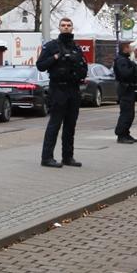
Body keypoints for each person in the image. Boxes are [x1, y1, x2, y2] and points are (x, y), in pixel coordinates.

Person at [35, 17, 89, 168]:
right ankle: (46, 158)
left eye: (69, 25)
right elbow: (40, 66)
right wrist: (55, 57)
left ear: (72, 28)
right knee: (54, 124)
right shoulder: (52, 46)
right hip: (58, 89)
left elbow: (84, 68)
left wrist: (78, 71)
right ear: (59, 28)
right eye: (63, 25)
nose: (66, 27)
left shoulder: (76, 48)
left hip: (73, 89)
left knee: (70, 125)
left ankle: (68, 157)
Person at [112, 40, 137, 144]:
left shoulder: (125, 59)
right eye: (129, 47)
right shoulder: (121, 60)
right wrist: (133, 67)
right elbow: (125, 74)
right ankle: (121, 135)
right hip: (125, 89)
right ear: (125, 48)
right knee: (126, 113)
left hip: (129, 88)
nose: (131, 49)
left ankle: (126, 133)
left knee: (130, 113)